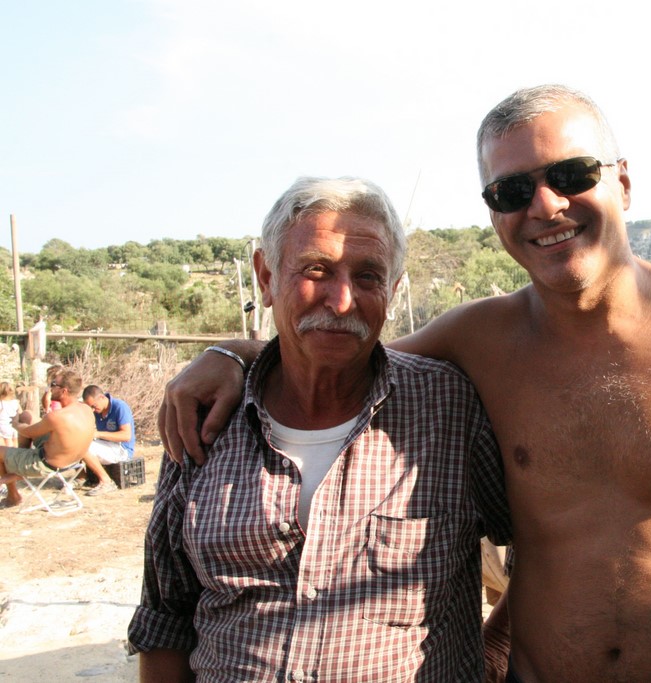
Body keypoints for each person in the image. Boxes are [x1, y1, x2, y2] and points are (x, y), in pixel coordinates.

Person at [160, 85, 651, 682]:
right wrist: (232, 353)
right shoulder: (477, 342)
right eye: (511, 189)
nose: (546, 205)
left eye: (572, 174)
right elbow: (339, 349)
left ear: (623, 182)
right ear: (494, 212)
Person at [128, 177, 511, 682]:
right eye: (316, 270)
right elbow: (165, 615)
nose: (342, 299)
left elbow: (546, 547)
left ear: (393, 290)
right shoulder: (207, 418)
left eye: (368, 276)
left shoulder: (450, 409)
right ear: (266, 277)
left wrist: (494, 653)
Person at [0, 369, 97, 507]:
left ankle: (13, 496)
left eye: (53, 384)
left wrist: (15, 424)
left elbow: (27, 432)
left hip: (47, 464)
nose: (50, 388)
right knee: (27, 415)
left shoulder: (57, 417)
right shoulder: (86, 409)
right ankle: (18, 467)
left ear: (64, 391)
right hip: (72, 460)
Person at [0, 381, 21, 447]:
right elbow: (21, 412)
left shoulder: (1, 403)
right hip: (14, 425)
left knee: (7, 443)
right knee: (15, 441)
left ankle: (8, 453)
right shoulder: (15, 402)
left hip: (4, 426)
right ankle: (16, 452)